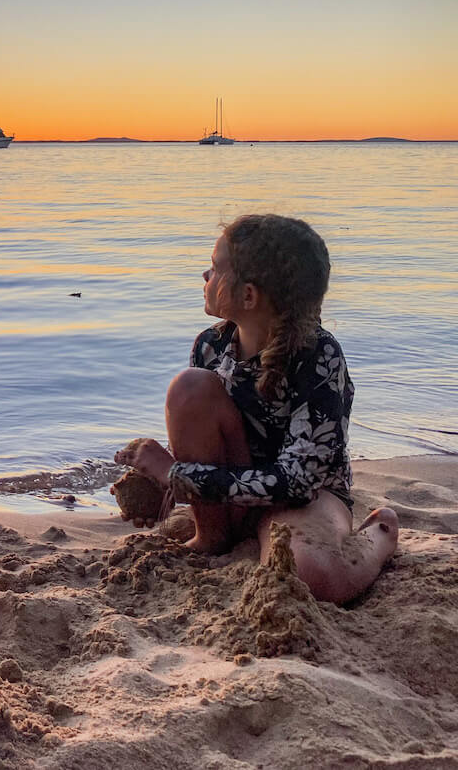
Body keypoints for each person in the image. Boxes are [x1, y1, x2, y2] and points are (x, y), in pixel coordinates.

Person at [113, 215, 399, 604]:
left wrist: (176, 474)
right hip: (233, 497)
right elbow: (202, 445)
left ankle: (380, 533)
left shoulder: (319, 356)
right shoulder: (210, 346)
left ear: (249, 296)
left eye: (215, 269)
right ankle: (212, 537)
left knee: (308, 577)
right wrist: (160, 487)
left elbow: (298, 482)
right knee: (189, 385)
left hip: (304, 498)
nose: (204, 275)